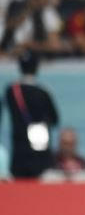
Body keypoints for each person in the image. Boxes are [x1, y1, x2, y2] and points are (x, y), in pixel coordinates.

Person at [4, 49, 59, 178]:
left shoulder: (11, 91)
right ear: (36, 67)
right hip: (40, 148)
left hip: (19, 148)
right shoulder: (43, 92)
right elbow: (55, 119)